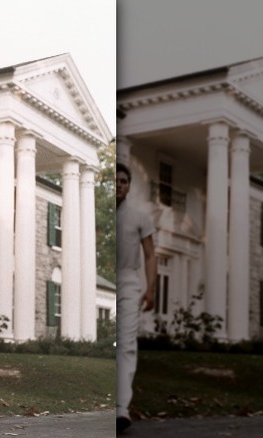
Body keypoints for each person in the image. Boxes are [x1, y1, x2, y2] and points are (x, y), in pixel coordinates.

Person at [115, 162, 157, 434]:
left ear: (128, 186)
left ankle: (121, 409)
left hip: (129, 281)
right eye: (116, 181)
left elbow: (151, 254)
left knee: (126, 342)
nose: (120, 185)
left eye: (124, 181)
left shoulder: (140, 217)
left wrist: (150, 288)